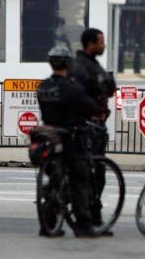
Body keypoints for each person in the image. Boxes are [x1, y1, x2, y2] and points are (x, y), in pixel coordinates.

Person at [36, 45, 104, 238]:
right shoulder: (70, 87)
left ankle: (47, 224)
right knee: (79, 180)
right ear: (68, 64)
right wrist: (97, 111)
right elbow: (90, 106)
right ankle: (84, 226)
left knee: (55, 179)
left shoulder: (44, 86)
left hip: (49, 136)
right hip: (69, 137)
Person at [69, 28, 117, 234]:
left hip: (97, 125)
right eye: (100, 42)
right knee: (89, 174)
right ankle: (88, 217)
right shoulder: (81, 67)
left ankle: (94, 216)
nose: (103, 46)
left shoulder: (94, 65)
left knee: (97, 173)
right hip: (87, 126)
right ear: (90, 44)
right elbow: (82, 93)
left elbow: (108, 89)